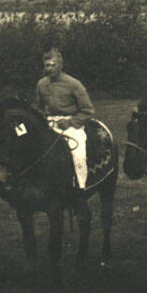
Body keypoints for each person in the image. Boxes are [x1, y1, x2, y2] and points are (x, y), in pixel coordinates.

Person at [33, 48, 94, 190]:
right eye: (47, 65)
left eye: (53, 65)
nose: (49, 69)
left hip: (71, 125)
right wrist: (42, 117)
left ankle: (80, 185)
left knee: (77, 152)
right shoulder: (41, 84)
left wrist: (70, 122)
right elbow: (37, 107)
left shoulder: (73, 84)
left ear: (60, 65)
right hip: (49, 123)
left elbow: (87, 110)